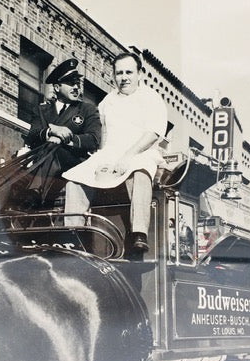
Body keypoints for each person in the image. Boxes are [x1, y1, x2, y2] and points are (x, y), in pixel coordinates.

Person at [63, 51, 168, 252]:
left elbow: (153, 133)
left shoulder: (151, 97)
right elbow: (102, 132)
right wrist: (100, 157)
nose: (124, 77)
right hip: (111, 153)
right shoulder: (108, 101)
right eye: (119, 73)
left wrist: (128, 157)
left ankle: (139, 233)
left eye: (129, 72)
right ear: (114, 75)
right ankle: (73, 233)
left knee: (141, 171)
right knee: (74, 179)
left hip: (140, 151)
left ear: (140, 74)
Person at [19, 58, 101, 209]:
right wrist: (51, 131)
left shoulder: (87, 109)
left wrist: (65, 139)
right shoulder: (42, 110)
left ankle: (34, 192)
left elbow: (93, 139)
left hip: (73, 161)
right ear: (57, 87)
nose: (76, 87)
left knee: (53, 146)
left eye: (77, 83)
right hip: (42, 160)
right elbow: (32, 135)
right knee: (16, 160)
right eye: (71, 83)